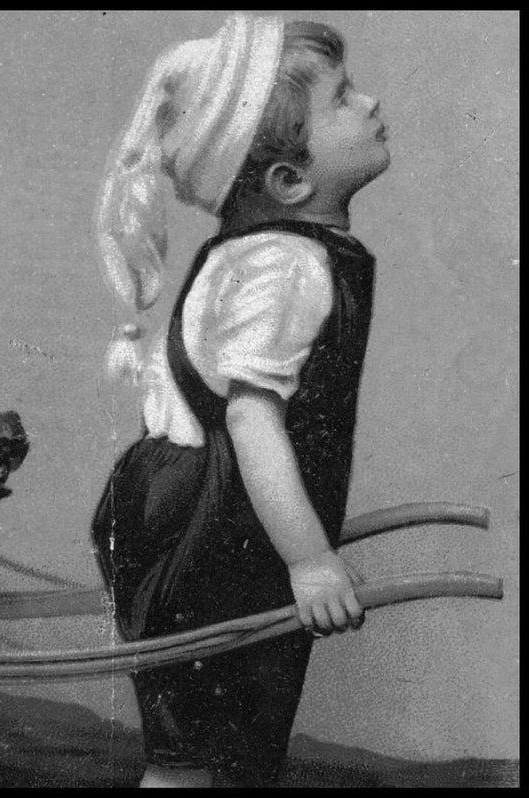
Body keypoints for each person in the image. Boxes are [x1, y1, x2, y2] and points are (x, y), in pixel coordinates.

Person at [92, 13, 390, 789]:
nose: (369, 103)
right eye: (343, 98)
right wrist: (311, 559)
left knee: (204, 752)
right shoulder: (286, 267)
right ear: (288, 182)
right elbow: (251, 418)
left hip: (198, 508)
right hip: (212, 529)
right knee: (208, 755)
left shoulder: (251, 253)